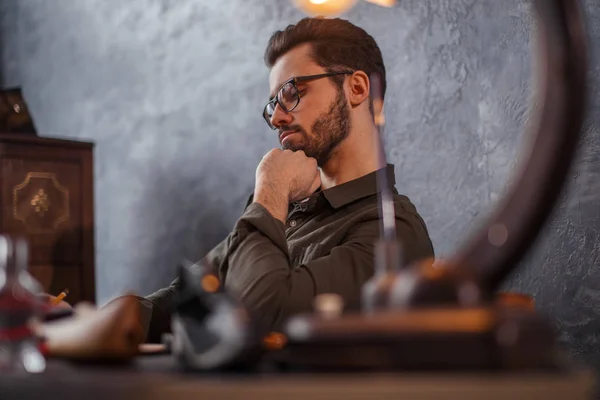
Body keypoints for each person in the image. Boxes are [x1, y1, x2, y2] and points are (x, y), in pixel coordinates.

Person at [47, 17, 435, 342]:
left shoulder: (393, 233)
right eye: (273, 105)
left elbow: (258, 318)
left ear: (356, 88)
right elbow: (181, 299)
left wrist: (270, 187)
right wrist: (83, 323)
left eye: (292, 93)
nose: (279, 118)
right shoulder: (289, 212)